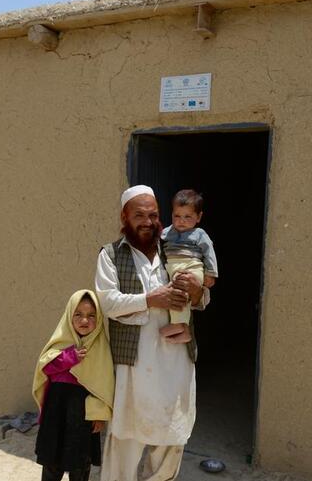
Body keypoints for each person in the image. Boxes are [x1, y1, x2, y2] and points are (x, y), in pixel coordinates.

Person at [95, 185, 208, 481]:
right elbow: (107, 303)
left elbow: (202, 298)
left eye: (153, 215)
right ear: (124, 216)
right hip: (133, 364)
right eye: (139, 215)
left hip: (175, 362)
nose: (147, 221)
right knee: (126, 438)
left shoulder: (174, 246)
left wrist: (197, 292)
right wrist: (149, 299)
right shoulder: (110, 255)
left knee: (171, 437)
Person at [33, 290, 115, 481]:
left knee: (80, 463)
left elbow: (105, 384)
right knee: (52, 461)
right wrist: (69, 357)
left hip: (83, 414)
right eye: (78, 314)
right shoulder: (60, 343)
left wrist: (100, 415)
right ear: (69, 316)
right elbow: (45, 368)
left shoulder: (100, 348)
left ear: (99, 319)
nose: (84, 321)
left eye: (91, 316)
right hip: (57, 411)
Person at [162, 189, 218, 325]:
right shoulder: (166, 232)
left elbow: (209, 253)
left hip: (191, 268)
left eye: (188, 217)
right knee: (173, 294)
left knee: (179, 294)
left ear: (198, 217)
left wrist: (210, 273)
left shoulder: (199, 234)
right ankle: (180, 327)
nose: (181, 221)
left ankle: (179, 326)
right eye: (177, 216)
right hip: (174, 268)